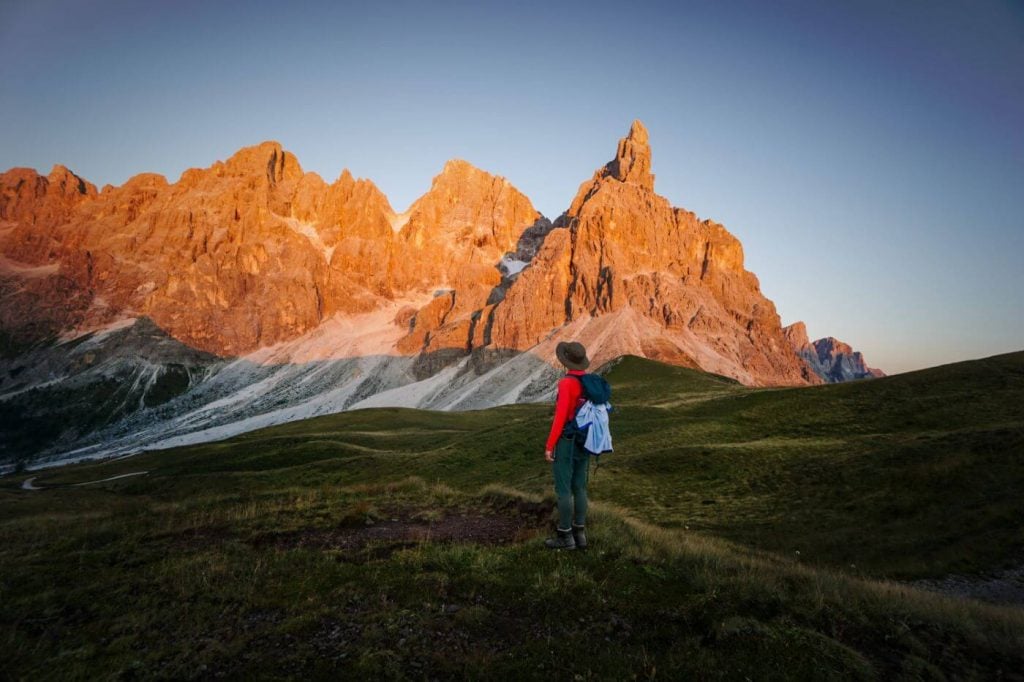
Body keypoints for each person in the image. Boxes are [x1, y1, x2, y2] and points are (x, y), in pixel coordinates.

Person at [544, 341, 591, 550]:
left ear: (566, 361)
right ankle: (580, 534)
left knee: (563, 489)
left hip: (567, 440)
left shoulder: (566, 383)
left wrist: (549, 445)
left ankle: (565, 536)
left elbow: (560, 416)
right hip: (585, 440)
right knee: (579, 486)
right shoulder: (589, 382)